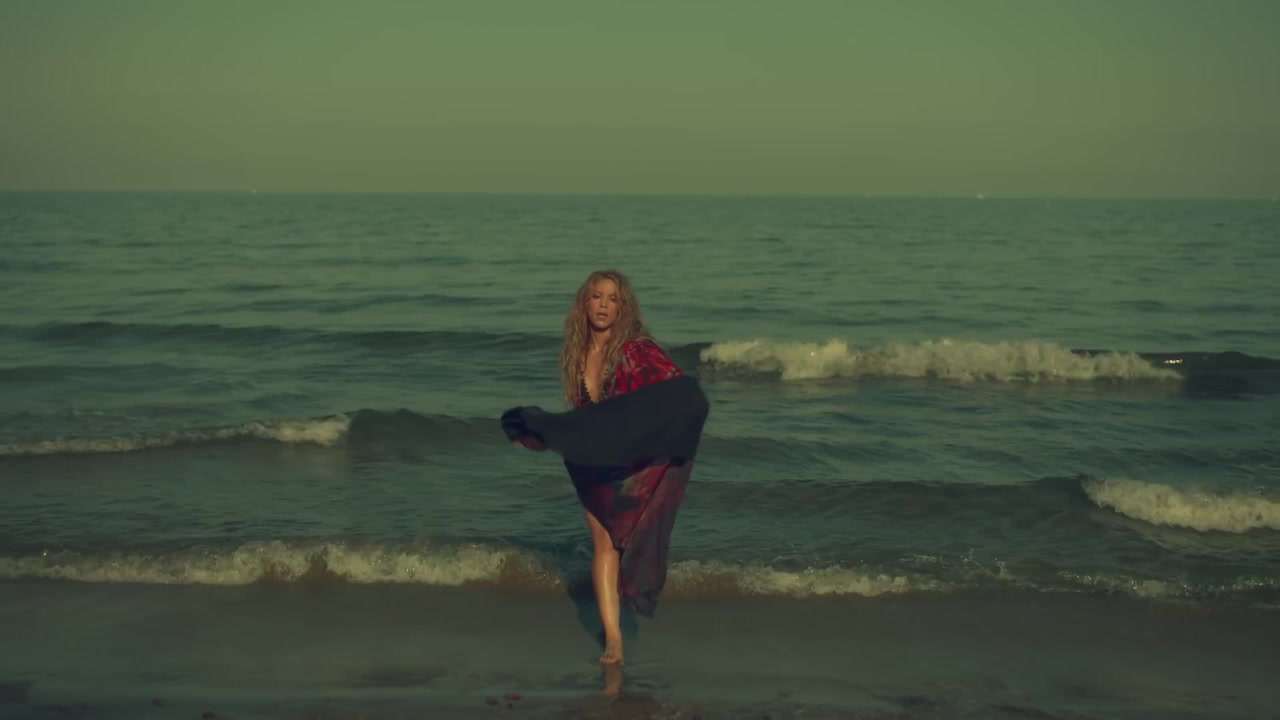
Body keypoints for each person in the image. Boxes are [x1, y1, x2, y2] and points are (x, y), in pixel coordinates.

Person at [512, 269, 696, 667]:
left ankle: (627, 601)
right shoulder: (576, 351)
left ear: (622, 307)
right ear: (585, 301)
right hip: (586, 459)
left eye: (613, 299)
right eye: (597, 297)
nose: (604, 305)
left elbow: (675, 387)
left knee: (624, 541)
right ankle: (613, 638)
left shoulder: (636, 349)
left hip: (624, 459)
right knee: (603, 544)